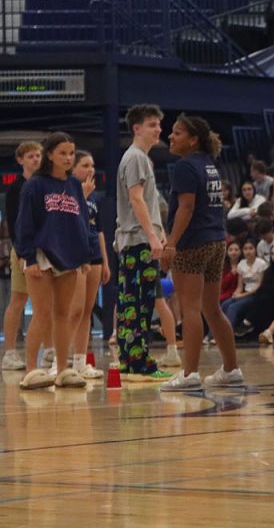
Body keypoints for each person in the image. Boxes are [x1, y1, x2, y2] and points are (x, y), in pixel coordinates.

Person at [158, 115, 243, 391]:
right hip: (216, 240)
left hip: (192, 241)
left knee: (191, 308)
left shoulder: (184, 166)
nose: (171, 137)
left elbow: (186, 207)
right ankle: (231, 369)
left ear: (193, 139)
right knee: (211, 308)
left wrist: (170, 244)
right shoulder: (209, 165)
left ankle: (189, 374)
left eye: (178, 132)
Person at [13, 133, 88, 390]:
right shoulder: (35, 185)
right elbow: (24, 223)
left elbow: (81, 222)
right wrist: (29, 257)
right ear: (50, 155)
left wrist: (84, 254)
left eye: (71, 153)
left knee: (63, 314)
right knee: (42, 313)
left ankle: (63, 368)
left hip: (69, 256)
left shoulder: (75, 186)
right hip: (41, 254)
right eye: (63, 153)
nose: (68, 158)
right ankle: (32, 370)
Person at [115, 104, 170, 378]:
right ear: (137, 128)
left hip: (134, 241)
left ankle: (128, 360)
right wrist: (152, 235)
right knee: (140, 304)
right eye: (151, 124)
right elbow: (136, 198)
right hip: (138, 241)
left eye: (159, 124)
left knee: (129, 305)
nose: (158, 129)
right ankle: (140, 363)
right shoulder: (136, 158)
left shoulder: (138, 158)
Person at [2, 142, 42, 371]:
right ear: (20, 160)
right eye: (30, 156)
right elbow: (14, 222)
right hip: (24, 250)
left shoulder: (43, 185)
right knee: (18, 299)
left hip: (44, 250)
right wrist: (22, 253)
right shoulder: (17, 188)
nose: (36, 159)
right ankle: (10, 352)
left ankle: (47, 350)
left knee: (44, 302)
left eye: (38, 155)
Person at [69, 150, 108, 380]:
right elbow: (68, 222)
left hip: (94, 254)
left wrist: (104, 261)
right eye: (85, 165)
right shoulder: (69, 192)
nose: (90, 169)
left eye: (92, 165)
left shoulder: (96, 196)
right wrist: (82, 198)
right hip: (74, 255)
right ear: (73, 169)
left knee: (86, 311)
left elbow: (100, 230)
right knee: (72, 310)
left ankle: (81, 362)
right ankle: (59, 362)